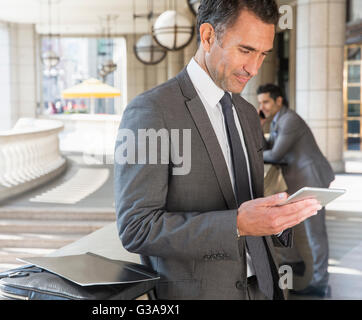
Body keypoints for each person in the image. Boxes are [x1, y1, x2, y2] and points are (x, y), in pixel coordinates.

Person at [114, 0, 321, 300]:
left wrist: (276, 218)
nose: (254, 68)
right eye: (246, 50)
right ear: (208, 36)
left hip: (265, 288)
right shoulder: (150, 111)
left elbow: (246, 204)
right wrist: (235, 224)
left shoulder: (249, 115)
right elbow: (136, 228)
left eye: (263, 54)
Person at [257, 84, 335, 297]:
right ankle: (295, 261)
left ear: (278, 101)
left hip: (312, 179)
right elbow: (267, 148)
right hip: (300, 180)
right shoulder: (276, 121)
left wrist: (250, 155)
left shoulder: (289, 120)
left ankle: (320, 281)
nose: (261, 106)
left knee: (315, 232)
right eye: (260, 102)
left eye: (265, 102)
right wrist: (259, 125)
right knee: (288, 220)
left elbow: (275, 154)